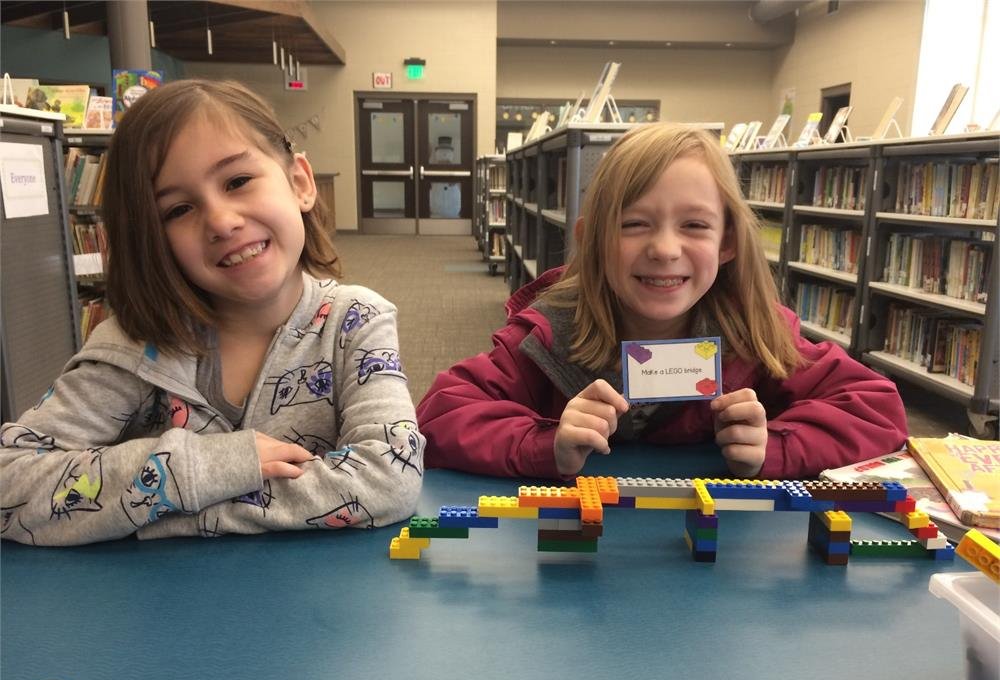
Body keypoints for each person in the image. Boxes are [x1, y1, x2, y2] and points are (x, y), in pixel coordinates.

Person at [0, 80, 424, 546]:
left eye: (237, 181)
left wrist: (158, 514)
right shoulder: (134, 344)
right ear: (150, 239)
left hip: (317, 607)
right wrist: (203, 468)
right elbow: (11, 484)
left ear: (299, 182)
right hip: (166, 611)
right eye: (179, 209)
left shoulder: (357, 321)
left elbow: (389, 476)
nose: (222, 221)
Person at [417, 123, 907, 480]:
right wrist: (548, 445)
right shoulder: (545, 336)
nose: (665, 249)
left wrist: (772, 447)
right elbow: (440, 415)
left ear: (727, 243)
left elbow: (876, 409)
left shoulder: (753, 336)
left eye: (694, 225)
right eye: (634, 224)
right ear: (592, 242)